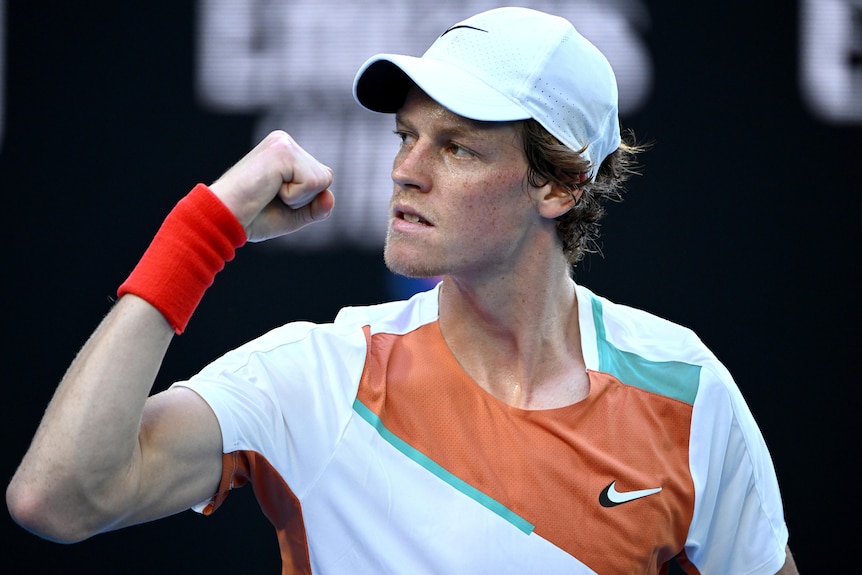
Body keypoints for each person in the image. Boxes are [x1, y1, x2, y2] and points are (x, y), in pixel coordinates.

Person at [6, 7, 797, 574]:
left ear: (558, 184)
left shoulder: (686, 390)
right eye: (407, 135)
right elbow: (59, 496)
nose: (405, 169)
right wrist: (202, 229)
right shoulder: (317, 377)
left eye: (456, 146)